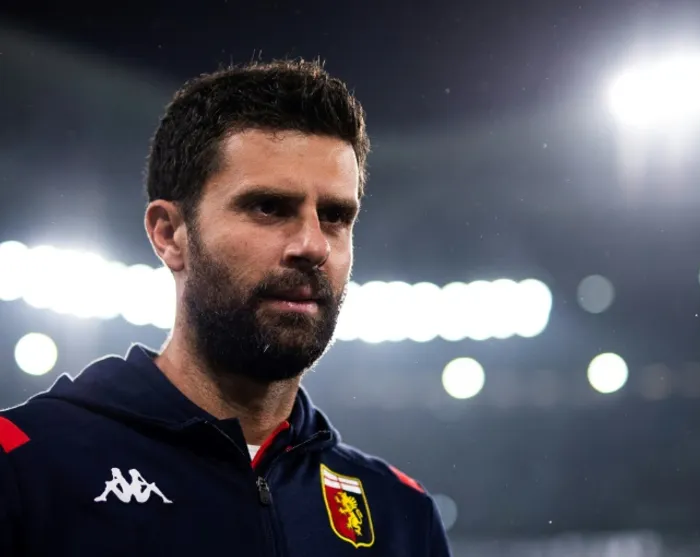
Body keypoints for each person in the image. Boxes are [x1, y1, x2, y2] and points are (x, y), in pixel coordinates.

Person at [0, 59, 453, 556]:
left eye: (334, 216)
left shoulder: (400, 516)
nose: (313, 245)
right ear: (169, 234)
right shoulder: (28, 467)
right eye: (268, 207)